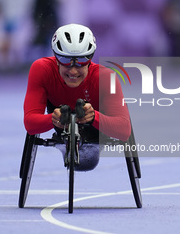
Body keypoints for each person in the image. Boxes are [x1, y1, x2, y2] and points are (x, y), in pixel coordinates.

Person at [23, 23, 131, 171]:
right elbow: (30, 123)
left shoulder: (106, 77)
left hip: (96, 132)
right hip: (61, 128)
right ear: (56, 57)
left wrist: (94, 117)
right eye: (66, 61)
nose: (73, 71)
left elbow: (124, 129)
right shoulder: (42, 70)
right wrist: (53, 119)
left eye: (80, 62)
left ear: (90, 58)